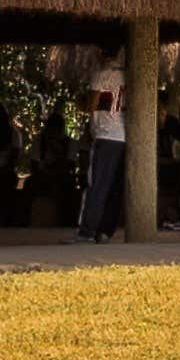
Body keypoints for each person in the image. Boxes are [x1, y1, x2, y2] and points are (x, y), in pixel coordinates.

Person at [72, 65, 127, 243]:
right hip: (123, 136)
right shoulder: (127, 76)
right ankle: (105, 231)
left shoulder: (102, 74)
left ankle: (87, 231)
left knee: (96, 185)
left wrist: (80, 101)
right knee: (114, 187)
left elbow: (91, 105)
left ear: (100, 53)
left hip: (105, 135)